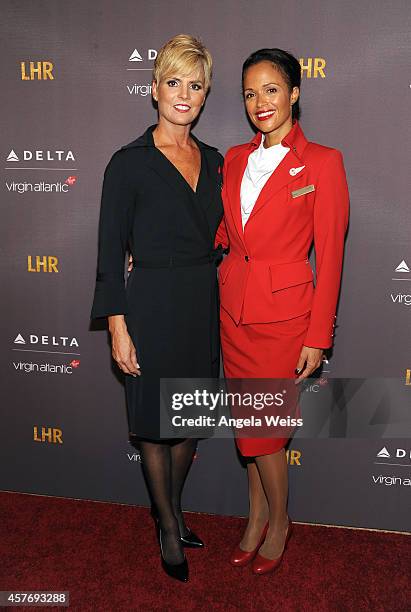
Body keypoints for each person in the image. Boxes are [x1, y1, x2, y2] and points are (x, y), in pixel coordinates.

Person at [90, 34, 223, 583]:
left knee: (188, 415)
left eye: (195, 85)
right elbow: (107, 251)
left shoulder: (216, 161)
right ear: (154, 89)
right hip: (148, 300)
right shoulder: (129, 163)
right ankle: (167, 525)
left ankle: (173, 508)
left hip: (200, 300)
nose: (184, 95)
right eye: (174, 83)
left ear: (205, 94)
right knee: (152, 421)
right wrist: (117, 328)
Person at [215, 48, 349, 575]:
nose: (260, 102)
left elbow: (332, 258)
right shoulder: (234, 159)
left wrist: (319, 334)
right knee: (252, 430)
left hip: (285, 320)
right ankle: (254, 519)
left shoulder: (322, 162)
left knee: (264, 431)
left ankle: (282, 521)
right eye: (250, 93)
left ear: (294, 92)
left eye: (271, 89)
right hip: (234, 313)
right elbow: (227, 234)